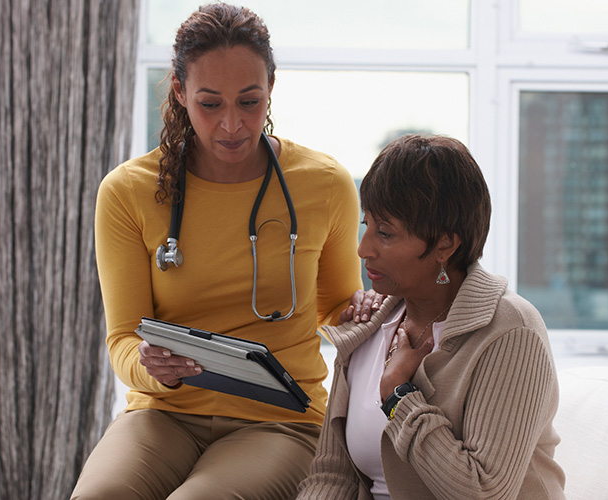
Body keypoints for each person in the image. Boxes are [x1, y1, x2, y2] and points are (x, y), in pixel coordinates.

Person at [71, 4, 381, 499]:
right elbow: (124, 338)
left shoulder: (324, 184)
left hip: (280, 420)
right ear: (180, 91)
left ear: (271, 88)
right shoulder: (128, 191)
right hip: (164, 412)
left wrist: (360, 308)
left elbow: (334, 308)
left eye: (250, 101)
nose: (233, 124)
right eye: (210, 104)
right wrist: (151, 363)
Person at [297, 134, 566, 500]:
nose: (363, 249)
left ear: (445, 244)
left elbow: (482, 491)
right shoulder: (369, 326)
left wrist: (398, 396)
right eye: (367, 226)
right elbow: (331, 475)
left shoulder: (511, 330)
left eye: (386, 233)